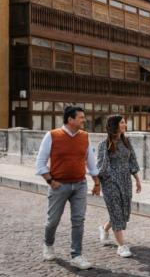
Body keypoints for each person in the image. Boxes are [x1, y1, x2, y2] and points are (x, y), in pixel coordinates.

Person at [35, 105, 100, 270]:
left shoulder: (85, 136)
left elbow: (91, 161)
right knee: (53, 220)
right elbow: (40, 163)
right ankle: (48, 244)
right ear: (70, 119)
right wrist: (51, 181)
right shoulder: (52, 135)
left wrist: (96, 182)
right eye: (81, 117)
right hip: (59, 185)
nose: (84, 120)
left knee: (78, 220)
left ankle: (76, 255)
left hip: (80, 184)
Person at [97, 115, 141, 258]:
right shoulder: (104, 145)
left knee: (122, 213)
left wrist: (137, 180)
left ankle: (104, 229)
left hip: (125, 181)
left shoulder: (127, 142)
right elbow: (100, 166)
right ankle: (121, 246)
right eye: (122, 122)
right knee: (116, 212)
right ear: (115, 125)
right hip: (110, 182)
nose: (125, 125)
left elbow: (132, 160)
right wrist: (98, 183)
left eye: (124, 122)